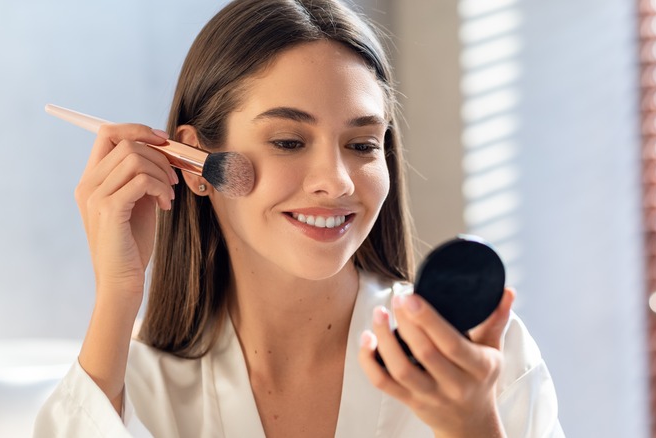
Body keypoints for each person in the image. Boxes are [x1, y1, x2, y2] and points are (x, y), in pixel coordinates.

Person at [35, 0, 564, 436]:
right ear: (196, 163)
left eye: (362, 144)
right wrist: (118, 293)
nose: (336, 182)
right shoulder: (133, 390)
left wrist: (474, 427)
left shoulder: (473, 359)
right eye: (288, 141)